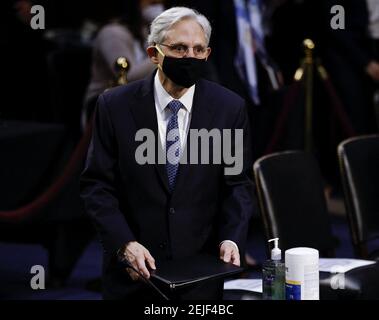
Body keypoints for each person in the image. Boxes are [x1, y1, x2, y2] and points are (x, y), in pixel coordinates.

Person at [80, 7, 254, 300]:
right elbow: (97, 186)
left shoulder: (229, 108)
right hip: (133, 274)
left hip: (200, 276)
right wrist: (124, 244)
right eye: (179, 48)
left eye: (199, 49)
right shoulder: (115, 106)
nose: (190, 56)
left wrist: (231, 238)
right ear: (154, 53)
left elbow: (237, 185)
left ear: (208, 54)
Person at [82, 0, 165, 127]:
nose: (157, 3)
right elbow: (127, 76)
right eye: (151, 2)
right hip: (104, 108)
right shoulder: (112, 32)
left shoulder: (144, 31)